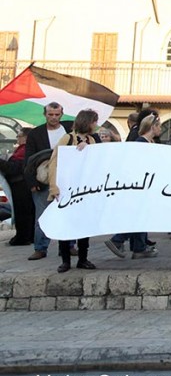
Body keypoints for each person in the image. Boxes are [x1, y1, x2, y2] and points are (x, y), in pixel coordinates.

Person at [47, 109, 100, 273]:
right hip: (67, 189)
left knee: (84, 226)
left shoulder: (92, 140)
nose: (96, 125)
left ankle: (83, 259)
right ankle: (65, 261)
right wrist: (54, 187)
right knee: (66, 225)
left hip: (86, 189)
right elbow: (55, 162)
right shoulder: (68, 138)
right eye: (94, 121)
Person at [105, 113, 161, 260]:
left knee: (141, 216)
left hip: (145, 185)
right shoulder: (140, 144)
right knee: (139, 216)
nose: (160, 129)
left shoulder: (148, 143)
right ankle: (118, 240)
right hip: (139, 186)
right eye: (159, 126)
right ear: (152, 127)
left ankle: (139, 248)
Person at [24, 102, 73, 261]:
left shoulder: (69, 131)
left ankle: (68, 246)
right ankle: (40, 248)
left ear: (61, 114)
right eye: (50, 114)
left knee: (67, 213)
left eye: (56, 114)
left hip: (66, 179)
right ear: (45, 114)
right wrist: (32, 183)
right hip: (43, 180)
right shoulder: (35, 134)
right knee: (42, 216)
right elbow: (29, 159)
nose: (53, 117)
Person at [1, 129, 32, 246]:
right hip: (19, 185)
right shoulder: (21, 150)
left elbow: (14, 169)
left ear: (26, 137)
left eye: (19, 136)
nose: (17, 138)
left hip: (21, 185)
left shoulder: (24, 151)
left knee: (22, 213)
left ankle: (23, 237)